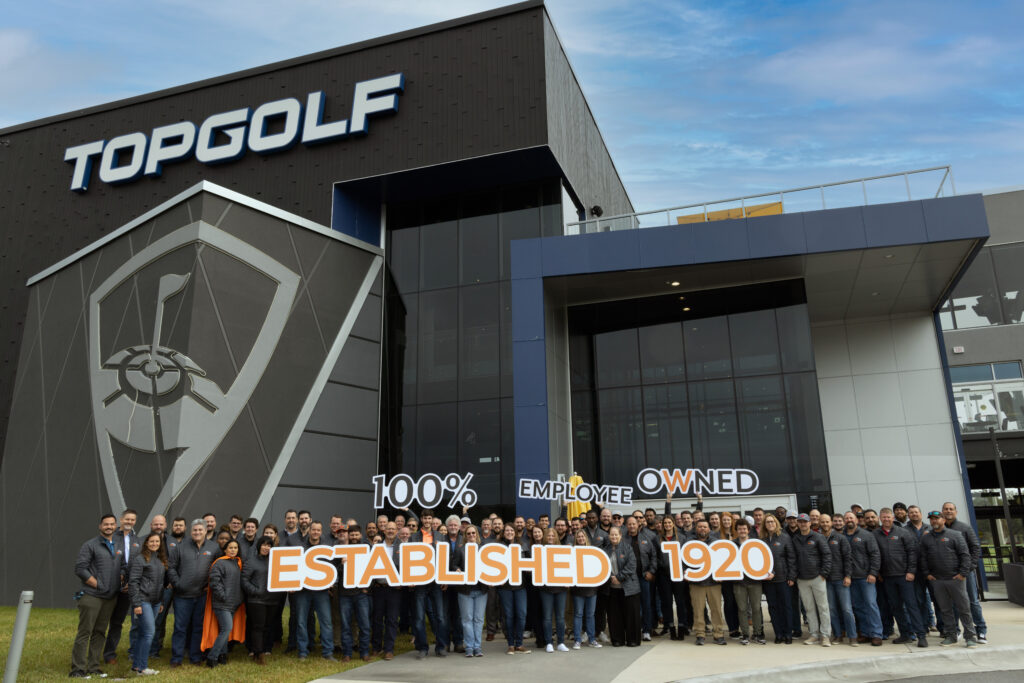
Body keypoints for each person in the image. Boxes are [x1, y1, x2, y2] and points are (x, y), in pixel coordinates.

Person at [70, 514, 124, 679]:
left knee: (100, 632)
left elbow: (122, 565)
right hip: (92, 596)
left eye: (112, 524)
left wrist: (121, 576)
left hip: (110, 597)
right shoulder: (90, 545)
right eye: (106, 524)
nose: (109, 526)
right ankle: (78, 669)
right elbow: (80, 568)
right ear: (100, 526)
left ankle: (94, 667)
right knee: (85, 632)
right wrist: (97, 584)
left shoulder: (117, 544)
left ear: (116, 526)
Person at [920, 511, 978, 647]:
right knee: (945, 610)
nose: (934, 521)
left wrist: (963, 573)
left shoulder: (955, 535)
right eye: (932, 519)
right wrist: (927, 573)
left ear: (943, 520)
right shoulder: (926, 539)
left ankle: (970, 637)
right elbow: (923, 558)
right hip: (937, 580)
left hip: (955, 579)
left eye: (937, 518)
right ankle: (951, 635)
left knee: (964, 609)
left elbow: (965, 555)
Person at [167, 519, 219, 666]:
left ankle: (195, 657)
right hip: (182, 596)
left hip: (202, 595)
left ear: (205, 531)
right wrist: (178, 584)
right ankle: (176, 658)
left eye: (200, 530)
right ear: (191, 532)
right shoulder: (180, 547)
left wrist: (211, 585)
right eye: (195, 530)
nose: (197, 532)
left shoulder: (213, 548)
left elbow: (217, 568)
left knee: (198, 627)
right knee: (180, 627)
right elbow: (171, 568)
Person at [874, 507, 927, 647]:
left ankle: (921, 635)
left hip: (904, 576)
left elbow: (912, 553)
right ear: (880, 518)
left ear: (893, 518)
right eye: (883, 517)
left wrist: (911, 571)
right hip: (887, 577)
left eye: (888, 517)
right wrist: (878, 572)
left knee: (912, 606)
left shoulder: (903, 532)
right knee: (896, 607)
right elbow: (874, 555)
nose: (886, 519)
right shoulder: (875, 534)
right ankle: (905, 634)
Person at [942, 502, 986, 642]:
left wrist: (969, 568)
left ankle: (981, 631)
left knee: (972, 602)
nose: (948, 511)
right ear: (942, 512)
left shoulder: (964, 528)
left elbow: (975, 548)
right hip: (949, 574)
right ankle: (955, 631)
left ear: (956, 511)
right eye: (946, 509)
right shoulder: (939, 530)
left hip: (965, 573)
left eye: (951, 509)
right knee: (953, 603)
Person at [103, 508, 139, 666]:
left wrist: (129, 584)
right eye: (127, 519)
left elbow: (136, 565)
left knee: (117, 623)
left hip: (126, 589)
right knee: (102, 622)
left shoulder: (137, 540)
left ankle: (110, 654)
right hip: (109, 586)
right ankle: (94, 652)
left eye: (132, 520)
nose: (129, 522)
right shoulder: (112, 537)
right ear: (121, 520)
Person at [202, 539, 246, 667]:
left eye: (235, 547)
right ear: (225, 550)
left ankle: (223, 655)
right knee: (227, 628)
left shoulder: (237, 563)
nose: (233, 550)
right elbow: (215, 582)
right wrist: (223, 596)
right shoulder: (220, 563)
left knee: (225, 630)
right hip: (222, 603)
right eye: (230, 547)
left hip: (233, 603)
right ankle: (212, 657)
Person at [296, 522, 337, 660]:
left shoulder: (326, 549)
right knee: (301, 621)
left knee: (326, 621)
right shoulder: (301, 548)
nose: (315, 532)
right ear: (309, 530)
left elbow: (332, 568)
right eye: (313, 529)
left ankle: (328, 652)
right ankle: (302, 651)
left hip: (321, 591)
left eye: (318, 530)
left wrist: (331, 583)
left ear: (321, 532)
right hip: (304, 590)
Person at [127, 532, 166, 675]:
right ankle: (143, 668)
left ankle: (137, 666)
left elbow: (160, 583)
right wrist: (136, 603)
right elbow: (133, 582)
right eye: (152, 541)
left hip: (156, 602)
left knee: (144, 633)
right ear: (146, 543)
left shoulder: (160, 559)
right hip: (143, 600)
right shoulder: (140, 559)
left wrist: (161, 601)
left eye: (157, 541)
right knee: (149, 633)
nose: (155, 543)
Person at [842, 511, 883, 646]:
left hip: (866, 577)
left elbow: (875, 555)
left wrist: (873, 572)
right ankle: (865, 633)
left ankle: (876, 634)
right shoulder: (842, 536)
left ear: (857, 520)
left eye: (851, 518)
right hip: (850, 578)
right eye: (846, 518)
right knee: (858, 607)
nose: (849, 520)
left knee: (871, 605)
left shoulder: (866, 535)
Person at [792, 513, 832, 647]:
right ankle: (814, 634)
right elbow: (793, 559)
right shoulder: (795, 539)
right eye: (800, 522)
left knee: (823, 607)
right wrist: (795, 575)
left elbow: (827, 555)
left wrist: (823, 574)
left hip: (817, 578)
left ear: (810, 523)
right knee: (809, 608)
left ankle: (825, 635)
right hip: (802, 579)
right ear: (798, 523)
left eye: (805, 522)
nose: (803, 524)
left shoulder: (818, 537)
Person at [689, 520, 726, 646]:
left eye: (705, 526)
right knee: (698, 610)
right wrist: (685, 573)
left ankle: (718, 634)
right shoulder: (689, 543)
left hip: (714, 582)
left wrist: (722, 575)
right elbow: (682, 560)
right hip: (696, 583)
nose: (702, 529)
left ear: (709, 529)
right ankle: (700, 635)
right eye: (700, 527)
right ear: (696, 528)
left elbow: (723, 560)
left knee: (716, 609)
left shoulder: (716, 542)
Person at [820, 513, 856, 646]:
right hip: (826, 580)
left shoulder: (840, 538)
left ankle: (852, 636)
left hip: (841, 579)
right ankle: (838, 635)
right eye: (822, 522)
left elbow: (847, 558)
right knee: (832, 609)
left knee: (847, 609)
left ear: (831, 523)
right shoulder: (818, 538)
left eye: (827, 522)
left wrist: (848, 576)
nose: (825, 524)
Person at [452, 524, 487, 657]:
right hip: (465, 590)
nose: (471, 535)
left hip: (481, 590)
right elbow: (453, 563)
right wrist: (456, 569)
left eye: (473, 533)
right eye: (469, 534)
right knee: (467, 620)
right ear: (465, 536)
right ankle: (469, 647)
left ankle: (477, 647)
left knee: (478, 620)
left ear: (477, 535)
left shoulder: (483, 549)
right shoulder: (460, 549)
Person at [370, 521, 403, 660]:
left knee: (392, 620)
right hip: (378, 588)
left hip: (394, 590)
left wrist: (402, 582)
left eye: (393, 529)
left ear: (397, 531)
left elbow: (407, 568)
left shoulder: (402, 548)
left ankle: (389, 649)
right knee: (377, 619)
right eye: (388, 529)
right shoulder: (377, 547)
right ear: (384, 531)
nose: (390, 531)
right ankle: (376, 647)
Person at [761, 514, 795, 644]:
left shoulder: (785, 538)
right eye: (767, 522)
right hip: (768, 581)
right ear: (764, 524)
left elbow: (791, 558)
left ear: (776, 523)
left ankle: (788, 633)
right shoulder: (762, 540)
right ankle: (778, 633)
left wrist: (791, 576)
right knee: (773, 607)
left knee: (786, 607)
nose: (770, 524)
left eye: (772, 521)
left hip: (783, 579)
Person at [605, 526, 641, 647]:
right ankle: (617, 639)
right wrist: (611, 577)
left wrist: (619, 577)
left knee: (631, 615)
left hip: (629, 588)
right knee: (615, 616)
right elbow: (602, 566)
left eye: (616, 535)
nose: (614, 537)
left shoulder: (628, 548)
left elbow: (631, 566)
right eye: (612, 535)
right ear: (609, 536)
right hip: (613, 589)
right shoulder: (606, 550)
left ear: (620, 535)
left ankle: (633, 640)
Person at [730, 518, 764, 645]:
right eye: (739, 529)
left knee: (756, 608)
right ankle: (745, 634)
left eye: (744, 528)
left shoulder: (756, 543)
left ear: (748, 530)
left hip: (755, 581)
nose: (742, 531)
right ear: (736, 530)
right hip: (739, 582)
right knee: (742, 609)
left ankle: (758, 633)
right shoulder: (732, 544)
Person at [242, 537, 275, 665]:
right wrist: (256, 591)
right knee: (258, 627)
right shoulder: (251, 561)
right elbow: (244, 580)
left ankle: (260, 651)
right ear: (259, 546)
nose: (266, 547)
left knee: (267, 626)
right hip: (256, 600)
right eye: (264, 545)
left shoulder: (275, 561)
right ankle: (258, 653)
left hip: (272, 599)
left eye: (269, 545)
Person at [497, 524, 529, 654]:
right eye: (507, 530)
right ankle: (511, 644)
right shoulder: (498, 547)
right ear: (503, 533)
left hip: (520, 586)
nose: (509, 532)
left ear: (515, 532)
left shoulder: (523, 545)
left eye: (511, 530)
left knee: (521, 614)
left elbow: (529, 565)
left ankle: (519, 644)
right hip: (505, 587)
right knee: (509, 616)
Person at [624, 515, 658, 641]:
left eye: (634, 524)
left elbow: (654, 556)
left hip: (643, 577)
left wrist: (651, 571)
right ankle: (633, 628)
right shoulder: (623, 539)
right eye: (630, 524)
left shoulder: (646, 538)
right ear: (626, 526)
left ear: (638, 525)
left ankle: (647, 630)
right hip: (629, 579)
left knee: (646, 604)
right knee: (631, 605)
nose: (632, 526)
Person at [655, 513, 688, 640]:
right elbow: (655, 556)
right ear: (662, 525)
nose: (667, 525)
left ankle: (682, 626)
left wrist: (684, 570)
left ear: (673, 523)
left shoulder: (682, 538)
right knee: (667, 602)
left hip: (678, 574)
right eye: (665, 523)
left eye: (669, 522)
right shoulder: (657, 539)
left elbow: (686, 556)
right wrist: (661, 565)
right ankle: (670, 627)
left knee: (680, 602)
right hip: (664, 575)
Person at [538, 527, 569, 652]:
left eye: (553, 535)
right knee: (547, 617)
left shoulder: (562, 550)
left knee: (561, 617)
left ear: (556, 537)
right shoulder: (539, 550)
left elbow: (568, 566)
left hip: (561, 588)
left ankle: (561, 642)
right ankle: (549, 642)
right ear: (545, 537)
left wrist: (568, 580)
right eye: (548, 536)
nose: (550, 537)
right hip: (546, 589)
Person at [571, 529, 601, 649]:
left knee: (590, 615)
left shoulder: (592, 551)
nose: (581, 539)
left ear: (586, 538)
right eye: (578, 537)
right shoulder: (572, 552)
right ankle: (577, 640)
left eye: (582, 536)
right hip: (578, 588)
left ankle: (592, 639)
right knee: (578, 614)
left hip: (591, 588)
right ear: (576, 539)